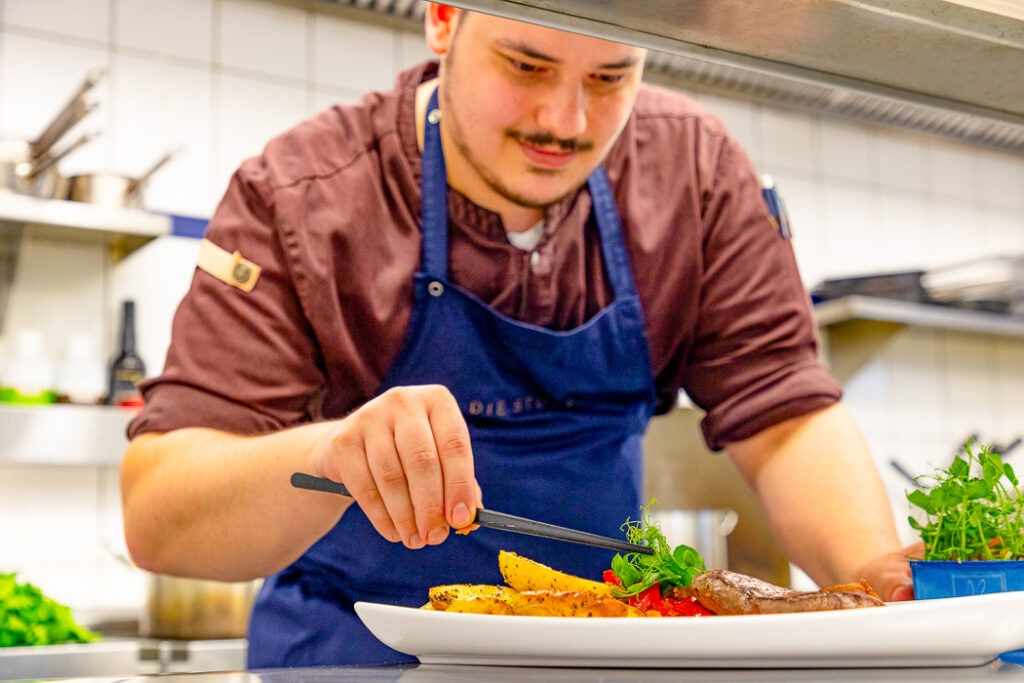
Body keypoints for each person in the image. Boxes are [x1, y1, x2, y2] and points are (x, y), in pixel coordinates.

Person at [120, 3, 915, 668]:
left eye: (610, 79)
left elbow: (786, 418)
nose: (564, 122)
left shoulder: (696, 178)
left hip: (603, 656)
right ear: (442, 20)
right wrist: (325, 455)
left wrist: (874, 578)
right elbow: (158, 510)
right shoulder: (301, 196)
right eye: (526, 65)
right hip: (349, 659)